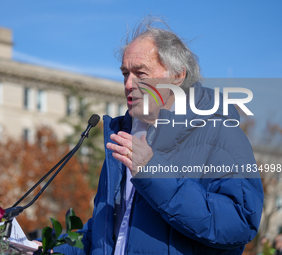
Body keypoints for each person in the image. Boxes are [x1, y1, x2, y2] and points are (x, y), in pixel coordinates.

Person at [50, 16, 264, 255]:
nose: (129, 84)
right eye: (125, 74)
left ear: (177, 76)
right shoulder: (122, 135)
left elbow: (240, 223)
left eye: (140, 73)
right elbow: (109, 231)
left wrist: (154, 173)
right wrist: (53, 249)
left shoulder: (221, 133)